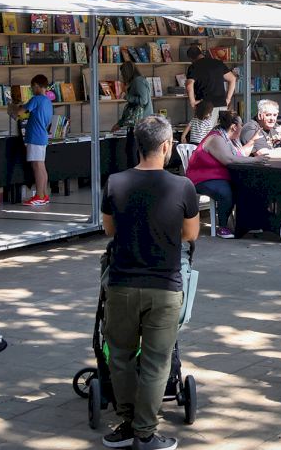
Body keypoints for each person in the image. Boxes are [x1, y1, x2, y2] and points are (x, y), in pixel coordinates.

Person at [101, 115, 200, 450]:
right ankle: (145, 432)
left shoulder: (115, 182)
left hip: (122, 284)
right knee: (157, 361)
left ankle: (127, 423)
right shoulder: (182, 186)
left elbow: (109, 229)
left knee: (120, 357)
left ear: (137, 146)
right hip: (164, 286)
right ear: (167, 146)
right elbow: (191, 233)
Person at [185, 111, 254, 239]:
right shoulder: (216, 139)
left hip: (217, 176)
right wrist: (255, 160)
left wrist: (253, 142)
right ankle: (222, 226)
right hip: (202, 178)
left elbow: (240, 155)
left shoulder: (229, 139)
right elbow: (229, 160)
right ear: (234, 127)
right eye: (241, 125)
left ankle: (246, 223)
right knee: (225, 192)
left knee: (245, 187)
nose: (242, 127)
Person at [8, 73, 52, 206]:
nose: (32, 90)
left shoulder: (36, 99)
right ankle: (44, 195)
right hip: (42, 135)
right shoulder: (47, 101)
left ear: (37, 86)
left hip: (35, 136)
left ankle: (39, 195)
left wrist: (12, 107)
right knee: (41, 166)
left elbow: (20, 112)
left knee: (37, 167)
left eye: (32, 87)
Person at [114, 61, 155, 168]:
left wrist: (127, 96)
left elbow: (143, 100)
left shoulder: (138, 81)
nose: (122, 76)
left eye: (123, 73)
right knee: (133, 150)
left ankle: (135, 173)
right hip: (139, 122)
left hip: (141, 122)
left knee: (133, 150)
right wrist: (120, 123)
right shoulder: (137, 81)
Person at [185, 44, 237, 123]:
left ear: (191, 58)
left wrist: (192, 102)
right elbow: (232, 79)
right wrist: (228, 98)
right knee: (220, 129)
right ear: (201, 53)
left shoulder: (193, 67)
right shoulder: (218, 63)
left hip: (204, 107)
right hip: (221, 104)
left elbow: (189, 85)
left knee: (205, 130)